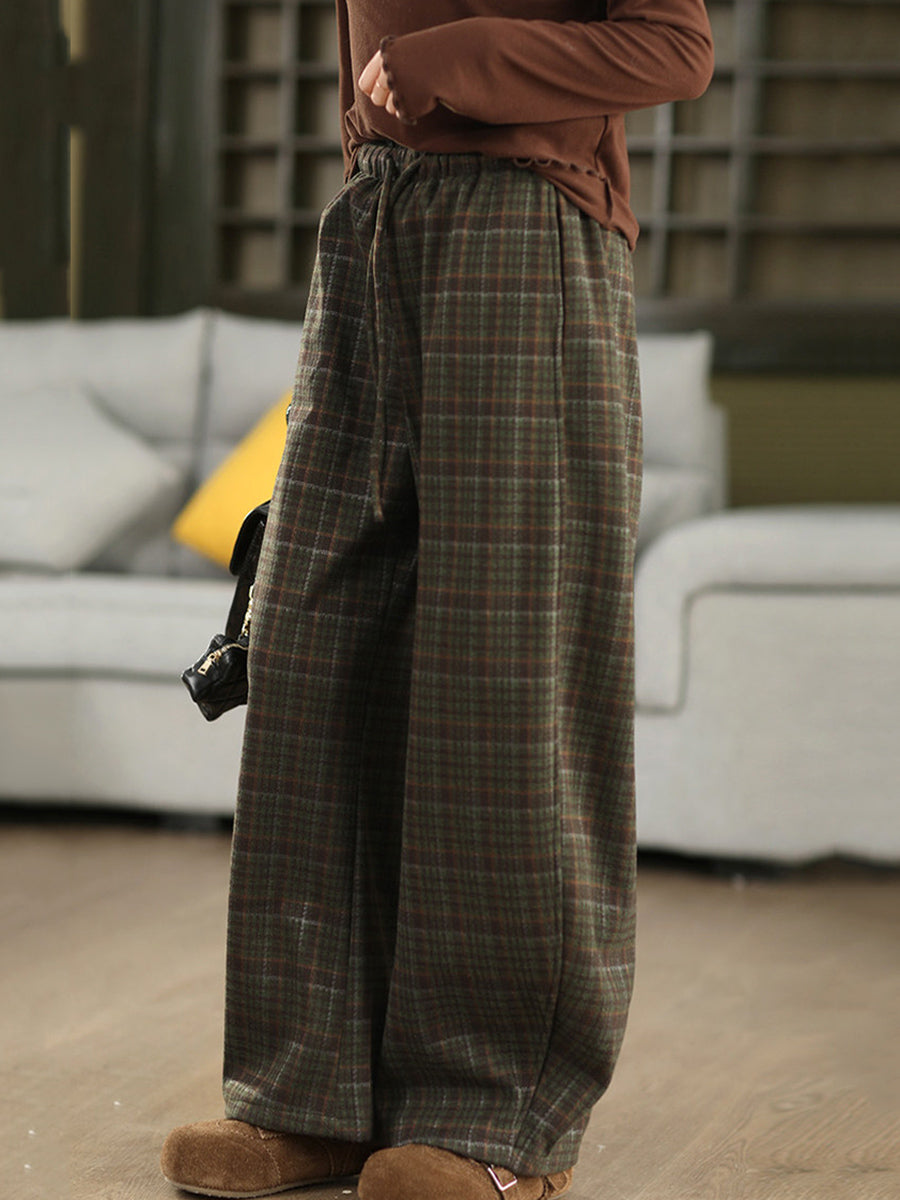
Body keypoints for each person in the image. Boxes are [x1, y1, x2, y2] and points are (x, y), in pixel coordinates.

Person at [161, 3, 713, 1198]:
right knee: (312, 644)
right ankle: (315, 1095)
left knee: (496, 675)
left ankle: (494, 1115)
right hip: (375, 221)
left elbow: (674, 47)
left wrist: (443, 67)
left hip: (528, 225)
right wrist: (370, 141)